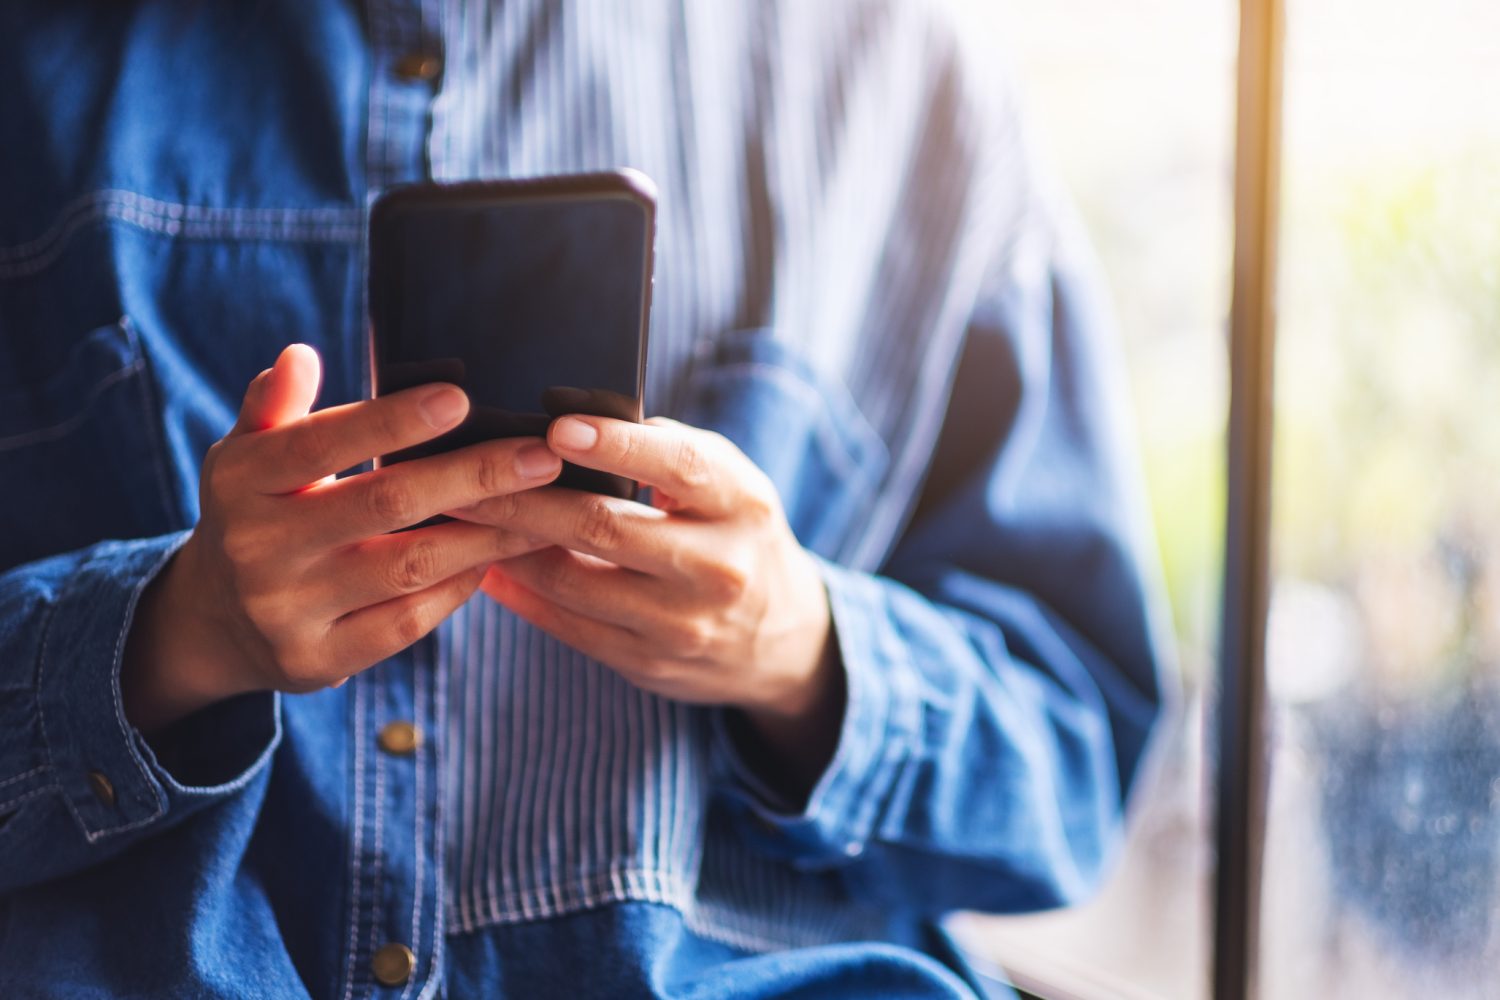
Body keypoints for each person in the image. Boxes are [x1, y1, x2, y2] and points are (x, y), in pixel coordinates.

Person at [0, 2, 1169, 997]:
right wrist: (174, 631)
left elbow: (1076, 757)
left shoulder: (905, 78)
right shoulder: (37, 68)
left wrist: (801, 649)